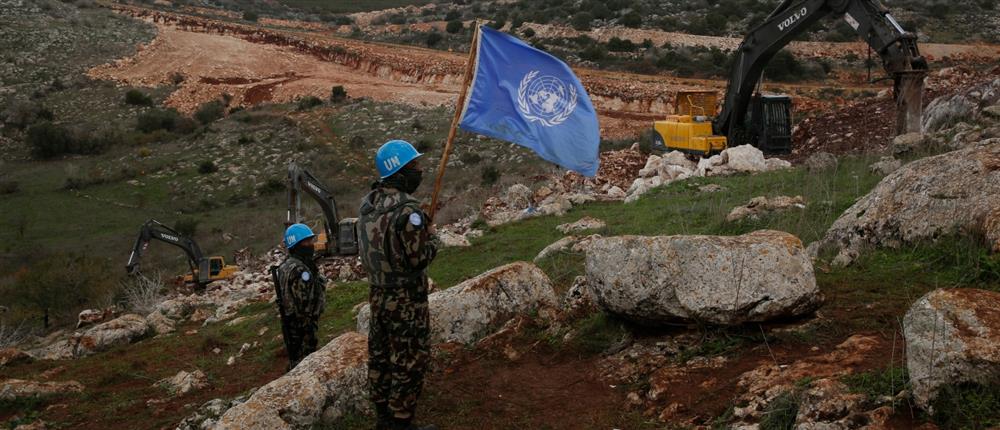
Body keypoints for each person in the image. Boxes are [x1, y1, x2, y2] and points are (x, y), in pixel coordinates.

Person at [358, 140, 440, 430]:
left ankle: (383, 416)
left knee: (380, 355)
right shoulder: (409, 211)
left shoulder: (368, 205)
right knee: (409, 359)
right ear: (400, 171)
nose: (419, 172)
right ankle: (402, 421)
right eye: (414, 167)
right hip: (406, 299)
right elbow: (418, 259)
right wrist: (433, 237)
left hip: (378, 294)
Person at [273, 223, 327, 371]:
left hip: (291, 322)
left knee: (297, 358)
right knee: (306, 363)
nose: (311, 245)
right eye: (307, 242)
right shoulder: (300, 269)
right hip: (302, 325)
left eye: (311, 240)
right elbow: (305, 303)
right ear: (296, 244)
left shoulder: (286, 265)